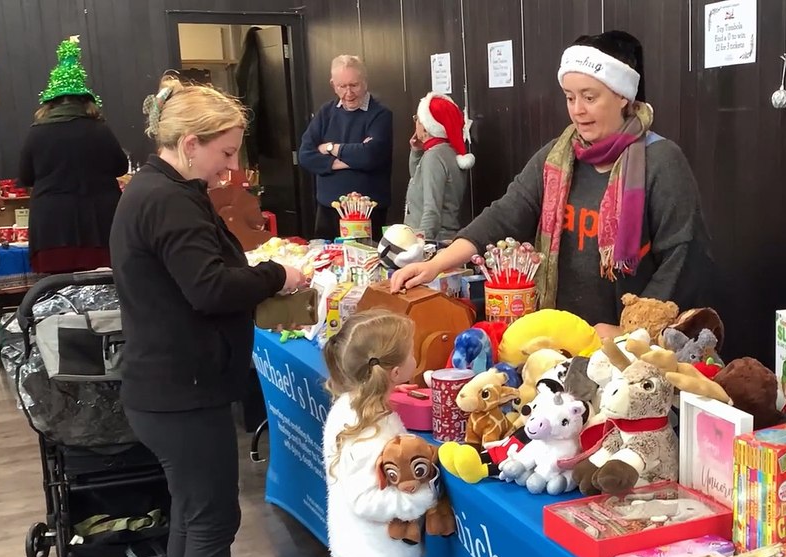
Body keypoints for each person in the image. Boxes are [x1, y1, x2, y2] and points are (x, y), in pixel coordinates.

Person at [110, 75, 306, 557]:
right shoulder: (167, 200)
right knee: (211, 520)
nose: (233, 166)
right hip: (180, 390)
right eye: (224, 153)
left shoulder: (159, 188)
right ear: (188, 143)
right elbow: (210, 288)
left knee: (191, 515)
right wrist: (280, 274)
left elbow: (203, 275)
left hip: (165, 385)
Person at [391, 31, 714, 338]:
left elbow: (684, 258)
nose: (578, 110)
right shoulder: (558, 157)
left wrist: (632, 333)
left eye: (590, 97)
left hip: (630, 348)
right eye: (570, 97)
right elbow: (506, 213)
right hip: (565, 336)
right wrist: (435, 265)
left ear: (622, 97)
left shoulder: (661, 161)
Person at [309, 309, 436, 557]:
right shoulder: (372, 429)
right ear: (396, 371)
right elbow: (366, 500)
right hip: (377, 548)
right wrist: (420, 500)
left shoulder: (356, 409)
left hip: (366, 544)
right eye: (413, 352)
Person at [19, 36, 127, 273]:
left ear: (49, 104)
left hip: (52, 231)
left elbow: (25, 178)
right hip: (100, 227)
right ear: (87, 101)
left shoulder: (36, 133)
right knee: (104, 294)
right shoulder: (100, 130)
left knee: (55, 295)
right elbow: (121, 167)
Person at [300, 55, 393, 241]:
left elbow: (370, 156)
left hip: (368, 212)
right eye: (342, 86)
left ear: (365, 82)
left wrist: (329, 148)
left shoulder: (381, 115)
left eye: (354, 85)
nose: (348, 93)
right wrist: (352, 158)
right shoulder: (325, 112)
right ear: (333, 84)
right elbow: (305, 155)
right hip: (328, 210)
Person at [403, 92, 474, 245]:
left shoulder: (434, 156)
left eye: (417, 119)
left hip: (434, 240)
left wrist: (421, 245)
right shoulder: (448, 151)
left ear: (427, 126)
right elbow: (418, 180)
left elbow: (432, 209)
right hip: (443, 238)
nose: (415, 123)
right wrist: (416, 152)